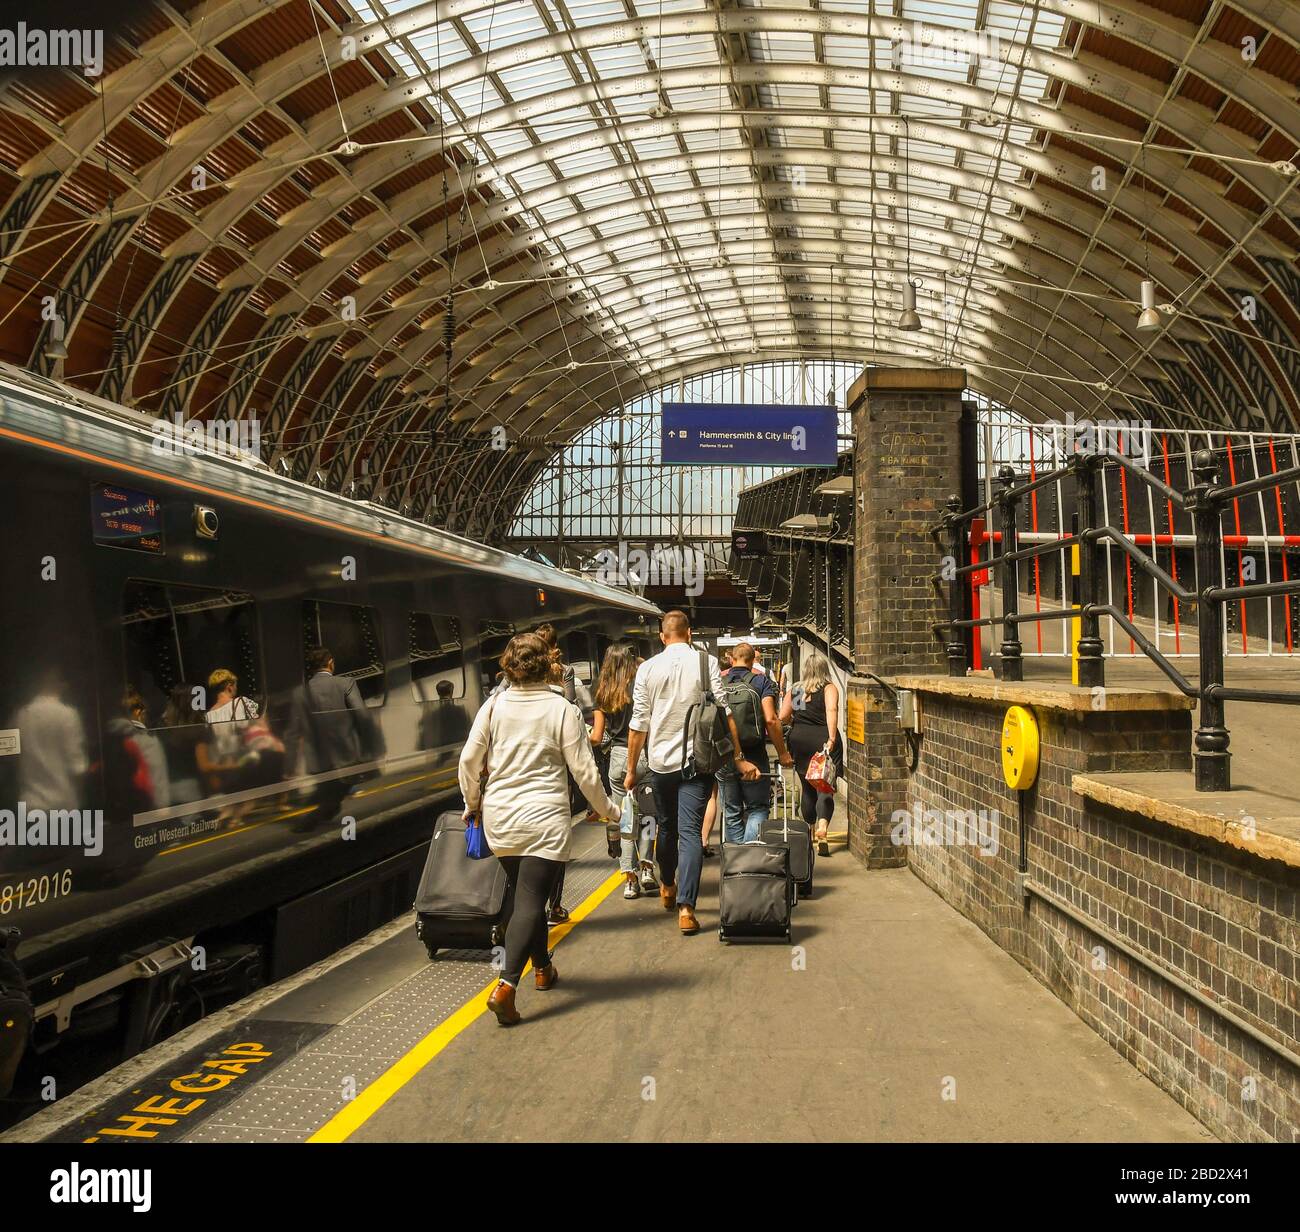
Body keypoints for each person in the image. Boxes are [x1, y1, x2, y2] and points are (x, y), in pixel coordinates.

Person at [460, 632, 617, 1026]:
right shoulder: (561, 709)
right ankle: (506, 987)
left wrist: (472, 805)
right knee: (531, 900)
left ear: (508, 665)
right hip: (544, 817)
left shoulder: (492, 706)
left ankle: (543, 967)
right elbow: (584, 770)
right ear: (548, 663)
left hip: (502, 818)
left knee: (523, 893)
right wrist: (608, 810)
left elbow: (468, 761)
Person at [625, 611, 760, 936]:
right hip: (698, 763)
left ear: (662, 636)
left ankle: (668, 884)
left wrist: (631, 770)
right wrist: (738, 758)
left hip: (660, 765)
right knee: (690, 834)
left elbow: (638, 725)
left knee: (666, 827)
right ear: (688, 633)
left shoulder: (647, 669)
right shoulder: (705, 663)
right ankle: (687, 908)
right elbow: (725, 713)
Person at [591, 643, 656, 900]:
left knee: (624, 820)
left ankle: (630, 880)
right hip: (644, 755)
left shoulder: (601, 689)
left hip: (618, 759)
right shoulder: (640, 686)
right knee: (649, 816)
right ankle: (647, 868)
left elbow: (596, 736)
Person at [287, 647, 382, 820]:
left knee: (330, 796)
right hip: (346, 757)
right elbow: (362, 716)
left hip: (318, 760)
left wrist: (289, 766)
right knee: (333, 800)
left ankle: (320, 820)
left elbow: (293, 732)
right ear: (330, 662)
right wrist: (372, 747)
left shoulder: (299, 693)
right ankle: (309, 824)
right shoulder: (346, 683)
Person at [716, 641, 794, 844]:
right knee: (758, 808)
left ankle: (735, 863)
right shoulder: (761, 682)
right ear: (752, 661)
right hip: (754, 753)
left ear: (732, 659)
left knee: (731, 811)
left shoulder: (719, 682)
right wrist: (783, 752)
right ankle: (750, 857)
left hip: (725, 753)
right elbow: (770, 719)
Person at [780, 651, 843, 856]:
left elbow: (783, 716)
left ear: (805, 670)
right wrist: (831, 738)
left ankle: (809, 829)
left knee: (807, 787)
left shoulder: (797, 689)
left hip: (799, 740)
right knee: (824, 786)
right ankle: (823, 828)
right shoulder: (828, 687)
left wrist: (798, 725)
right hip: (821, 740)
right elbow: (831, 710)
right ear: (824, 670)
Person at [420, 678, 470, 750]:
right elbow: (467, 729)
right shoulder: (460, 710)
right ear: (451, 692)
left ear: (438, 693)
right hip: (459, 747)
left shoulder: (433, 714)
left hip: (439, 748)